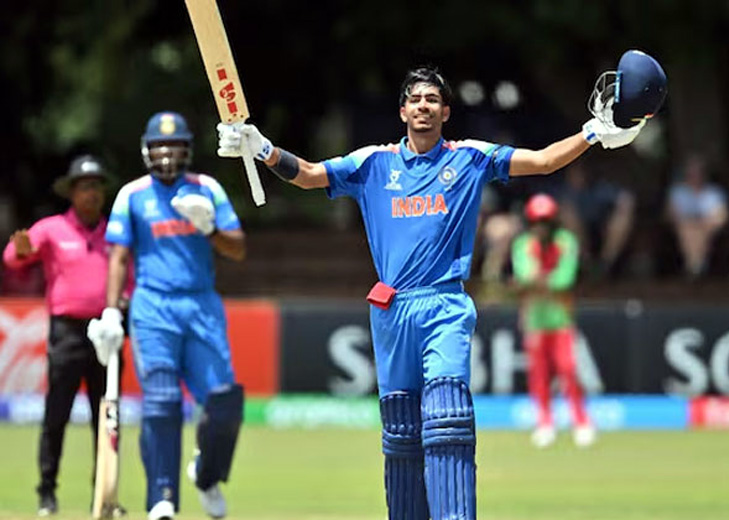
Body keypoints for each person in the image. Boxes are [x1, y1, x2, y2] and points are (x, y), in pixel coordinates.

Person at [216, 62, 654, 519]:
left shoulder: (469, 158)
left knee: (448, 420)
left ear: (445, 112)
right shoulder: (373, 163)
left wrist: (592, 133)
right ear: (402, 111)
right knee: (401, 435)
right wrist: (261, 148)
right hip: (391, 310)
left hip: (444, 303)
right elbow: (307, 174)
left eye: (432, 100)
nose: (423, 106)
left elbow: (543, 161)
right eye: (415, 100)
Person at [87, 112, 246, 520]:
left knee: (225, 403)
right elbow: (118, 256)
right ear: (147, 150)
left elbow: (238, 248)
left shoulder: (207, 188)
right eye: (160, 146)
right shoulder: (132, 195)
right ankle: (162, 496)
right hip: (153, 307)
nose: (167, 154)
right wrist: (110, 311)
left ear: (188, 149)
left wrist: (209, 229)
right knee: (161, 403)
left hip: (201, 306)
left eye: (175, 146)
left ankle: (206, 475)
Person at [2, 155, 128, 517]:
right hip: (67, 331)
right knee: (56, 413)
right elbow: (14, 257)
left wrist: (124, 302)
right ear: (72, 192)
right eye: (85, 187)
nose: (92, 193)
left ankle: (104, 494)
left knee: (107, 417)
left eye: (97, 186)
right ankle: (47, 491)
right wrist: (20, 251)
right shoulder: (52, 228)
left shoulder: (115, 231)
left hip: (106, 330)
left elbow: (129, 274)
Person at [511, 194, 594, 449]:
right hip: (535, 319)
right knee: (539, 375)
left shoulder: (566, 241)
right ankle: (545, 423)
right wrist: (541, 280)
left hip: (561, 318)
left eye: (545, 221)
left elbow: (564, 279)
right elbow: (524, 275)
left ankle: (581, 421)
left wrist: (537, 281)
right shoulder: (523, 244)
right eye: (536, 221)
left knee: (568, 369)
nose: (541, 227)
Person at [557, 161, 635, 278]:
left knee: (624, 208)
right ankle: (585, 265)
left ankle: (604, 266)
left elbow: (624, 199)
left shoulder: (602, 187)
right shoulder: (561, 189)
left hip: (601, 229)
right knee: (566, 213)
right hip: (575, 241)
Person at [666, 154, 729, 279]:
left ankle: (693, 267)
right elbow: (670, 214)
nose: (695, 176)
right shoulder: (677, 192)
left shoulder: (714, 192)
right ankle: (697, 266)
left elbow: (723, 215)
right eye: (692, 173)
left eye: (698, 172)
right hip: (685, 225)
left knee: (701, 230)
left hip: (708, 227)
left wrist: (704, 222)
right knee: (688, 229)